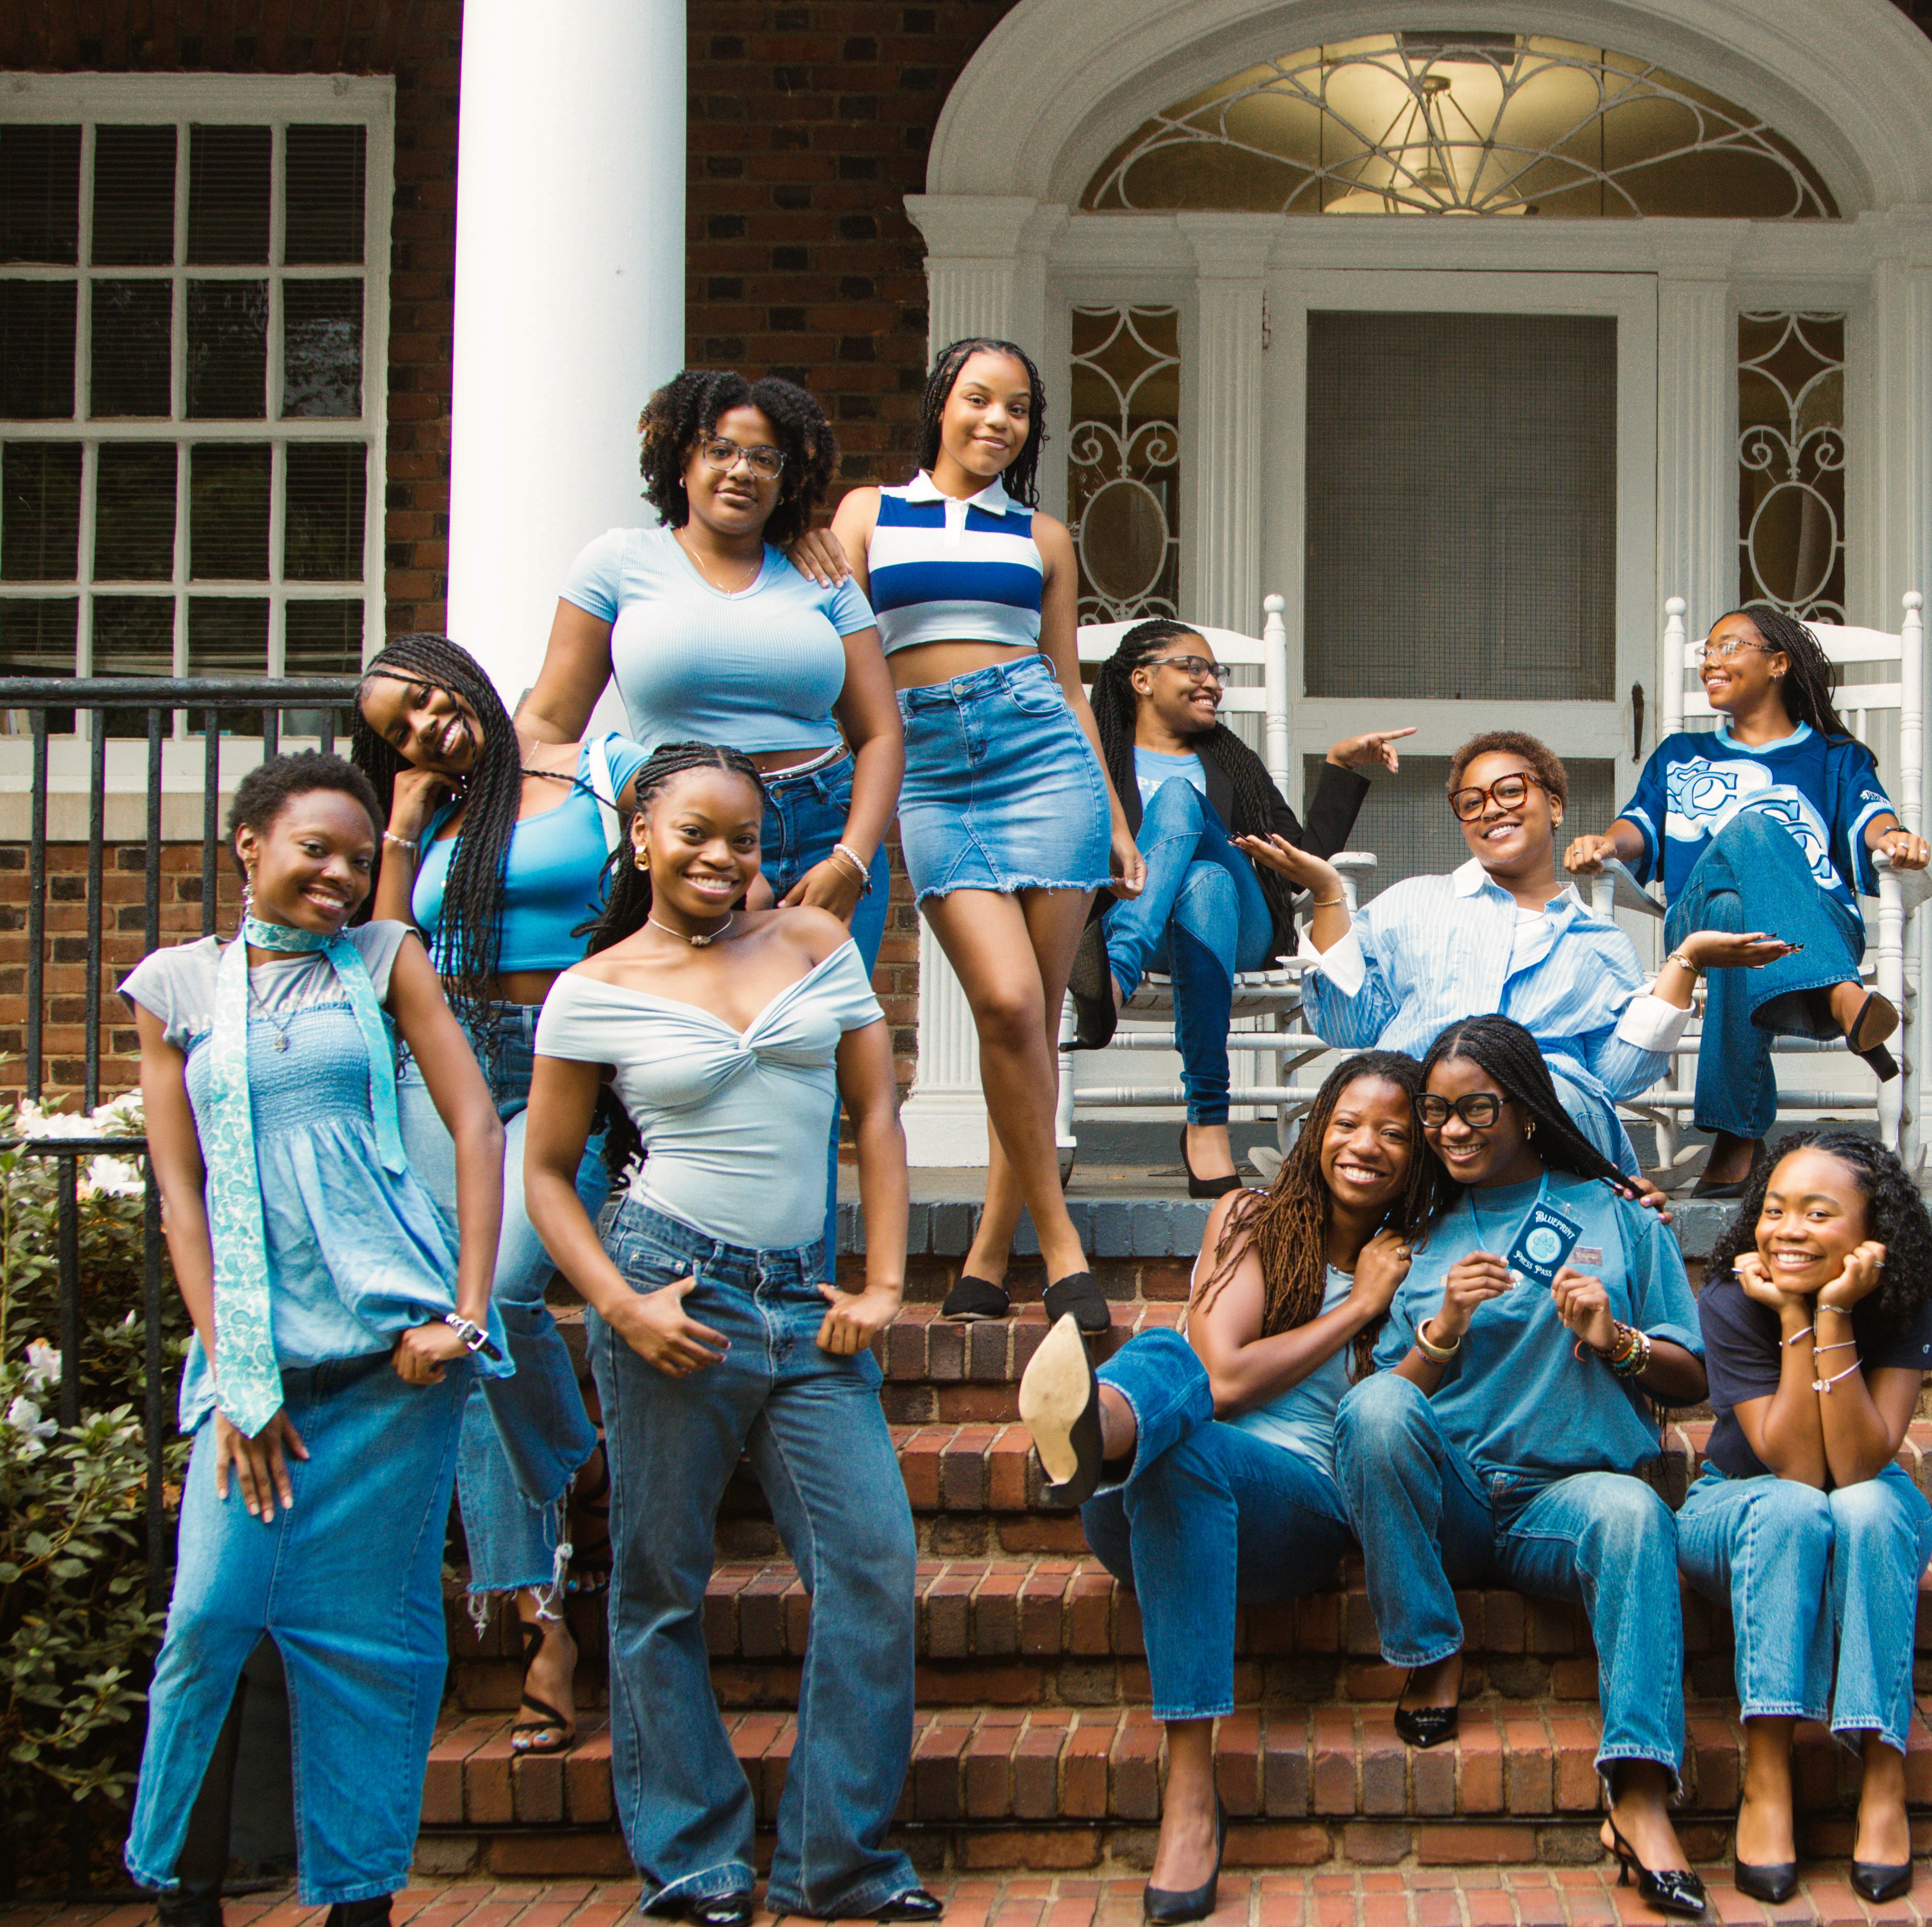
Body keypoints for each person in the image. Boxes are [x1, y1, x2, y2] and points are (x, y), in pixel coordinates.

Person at [116, 752, 509, 1927]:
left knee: (369, 1646)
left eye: (355, 854)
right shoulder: (176, 991)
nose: (340, 875)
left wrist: (461, 1309)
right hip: (256, 1383)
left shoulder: (384, 959)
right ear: (247, 844)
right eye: (313, 850)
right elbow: (182, 1197)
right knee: (208, 1626)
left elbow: (471, 1118)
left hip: (389, 1370)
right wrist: (235, 1374)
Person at [522, 743, 935, 1927]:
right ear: (641, 837)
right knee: (659, 1581)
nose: (721, 855)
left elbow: (875, 1113)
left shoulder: (816, 942)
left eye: (743, 836)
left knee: (873, 1569)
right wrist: (619, 1303)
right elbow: (549, 1176)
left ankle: (834, 1858)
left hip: (806, 1306)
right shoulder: (592, 987)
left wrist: (888, 1281)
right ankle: (693, 1855)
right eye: (694, 832)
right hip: (672, 1292)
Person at [1014, 1051, 1431, 1922]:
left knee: (1187, 1435)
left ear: (1417, 1153)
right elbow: (1226, 1376)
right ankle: (1103, 1434)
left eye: (1394, 1132)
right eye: (1350, 1122)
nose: (1367, 1145)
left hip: (1299, 1513)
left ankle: (1191, 1793)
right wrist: (1354, 1307)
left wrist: (1370, 1302)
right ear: (1317, 1127)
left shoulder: (1419, 1257)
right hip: (1141, 1505)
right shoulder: (1255, 1216)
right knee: (1177, 1361)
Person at [1333, 1016, 1713, 1917]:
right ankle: (1430, 1650)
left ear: (1529, 1112)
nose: (1452, 1130)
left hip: (1568, 1499)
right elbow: (1382, 1407)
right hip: (1456, 1496)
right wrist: (1443, 1330)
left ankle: (1641, 1793)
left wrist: (1615, 1339)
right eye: (1437, 1112)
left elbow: (1691, 1378)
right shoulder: (1414, 1227)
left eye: (1477, 1110)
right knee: (1375, 1407)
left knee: (1632, 1514)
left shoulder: (1621, 1215)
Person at [355, 632, 645, 1757]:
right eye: (397, 729)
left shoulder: (595, 764)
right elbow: (390, 948)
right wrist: (401, 814)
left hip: (566, 1063)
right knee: (461, 1316)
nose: (424, 726)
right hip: (450, 1062)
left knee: (508, 1291)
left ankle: (566, 1460)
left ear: (458, 668)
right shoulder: (431, 815)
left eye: (424, 699)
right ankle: (543, 1614)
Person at [828, 337, 1141, 1330]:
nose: (996, 421)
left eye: (1017, 409)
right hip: (931, 771)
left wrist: (1119, 819)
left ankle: (985, 1254)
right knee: (1006, 1005)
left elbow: (1069, 686)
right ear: (941, 406)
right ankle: (1060, 1247)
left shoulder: (1044, 537)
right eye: (978, 400)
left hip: (1042, 758)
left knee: (1030, 1023)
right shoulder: (868, 516)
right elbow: (832, 654)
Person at [1245, 731, 1786, 1177]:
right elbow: (1347, 1024)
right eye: (1472, 802)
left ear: (1553, 804)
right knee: (1381, 1103)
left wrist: (1685, 961)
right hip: (1421, 1114)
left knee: (1560, 1104)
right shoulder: (1413, 903)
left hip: (1538, 1121)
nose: (1491, 810)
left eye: (1510, 791)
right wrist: (1327, 893)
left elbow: (1617, 1079)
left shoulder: (1596, 943)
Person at [520, 369, 900, 971]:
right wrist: (491, 803)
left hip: (823, 830)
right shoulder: (618, 564)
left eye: (765, 459)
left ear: (787, 480)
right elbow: (549, 718)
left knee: (820, 1044)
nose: (742, 470)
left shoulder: (823, 577)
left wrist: (851, 860)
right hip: (688, 832)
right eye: (719, 450)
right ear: (680, 460)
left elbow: (880, 732)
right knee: (695, 1034)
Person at [1565, 606, 1932, 1197]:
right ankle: (1841, 996)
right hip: (1694, 918)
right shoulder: (1680, 754)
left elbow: (1871, 813)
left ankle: (1736, 1138)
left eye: (1730, 647)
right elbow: (1639, 826)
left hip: (1819, 918)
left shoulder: (1835, 756)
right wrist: (1605, 845)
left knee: (1739, 911)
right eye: (1707, 651)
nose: (1711, 660)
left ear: (1779, 663)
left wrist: (1891, 838)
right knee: (1748, 837)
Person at [1676, 1132, 1932, 1905]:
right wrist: (1792, 1310)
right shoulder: (1732, 1300)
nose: (1787, 1229)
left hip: (1861, 1496)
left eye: (1818, 1213)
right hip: (1736, 1502)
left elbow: (1858, 1466)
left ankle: (1883, 1773)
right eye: (1775, 1209)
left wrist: (1830, 1315)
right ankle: (1768, 1767)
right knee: (1799, 1507)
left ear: (1872, 1234)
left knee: (1863, 1506)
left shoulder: (1903, 1294)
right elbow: (1793, 1468)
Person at [1066, 619, 1413, 1194]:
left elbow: (1302, 858)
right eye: (1193, 668)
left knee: (1186, 810)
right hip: (1146, 918)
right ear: (1142, 679)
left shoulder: (1230, 760)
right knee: (1206, 882)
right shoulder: (1097, 759)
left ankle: (1115, 979)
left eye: (1217, 673)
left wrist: (1340, 765)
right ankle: (1208, 1122)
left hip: (1241, 935)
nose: (1213, 684)